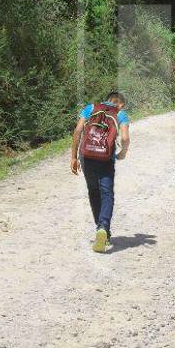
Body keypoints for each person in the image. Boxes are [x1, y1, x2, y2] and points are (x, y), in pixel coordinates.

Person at [70, 91, 130, 253]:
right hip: (106, 158)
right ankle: (103, 228)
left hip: (86, 155)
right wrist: (122, 153)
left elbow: (77, 130)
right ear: (121, 104)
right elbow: (124, 138)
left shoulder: (90, 108)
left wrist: (74, 157)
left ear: (106, 100)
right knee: (106, 193)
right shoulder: (121, 114)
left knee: (93, 191)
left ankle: (101, 229)